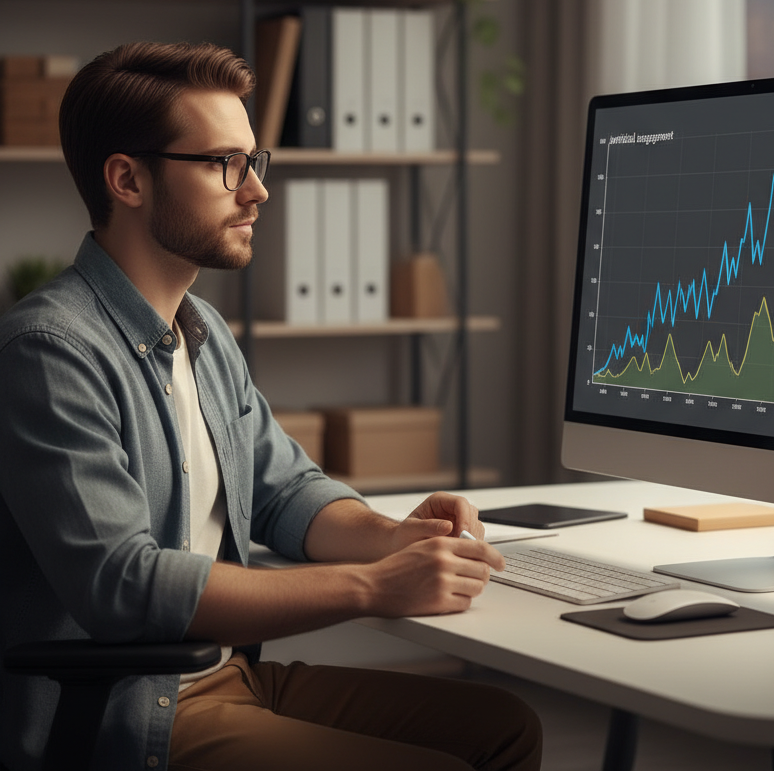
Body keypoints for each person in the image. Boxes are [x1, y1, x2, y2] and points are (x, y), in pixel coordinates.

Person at [0, 42, 542, 771]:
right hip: (127, 707)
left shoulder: (202, 331)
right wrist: (371, 587)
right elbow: (122, 585)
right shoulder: (47, 349)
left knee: (505, 727)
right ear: (127, 179)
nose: (256, 191)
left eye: (256, 162)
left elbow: (288, 491)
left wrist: (392, 537)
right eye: (226, 164)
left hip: (227, 675)